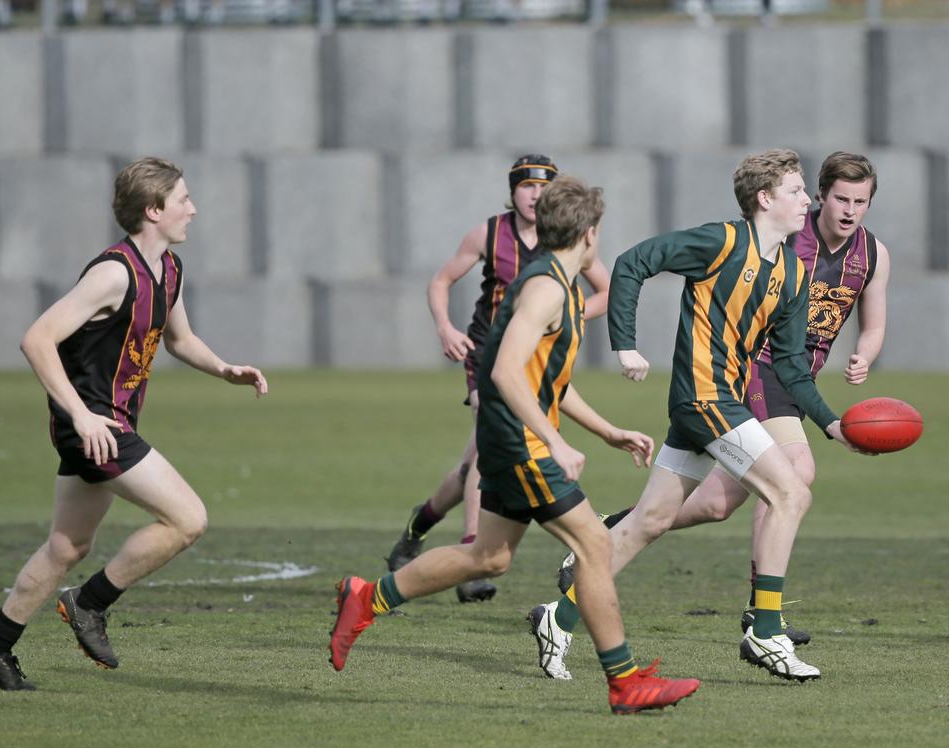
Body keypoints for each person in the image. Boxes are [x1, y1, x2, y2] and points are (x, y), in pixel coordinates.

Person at [329, 176, 700, 715]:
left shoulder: (561, 285)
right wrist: (554, 441)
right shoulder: (548, 287)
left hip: (511, 438)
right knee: (595, 546)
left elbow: (547, 379)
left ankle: (367, 597)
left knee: (489, 557)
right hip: (519, 442)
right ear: (591, 233)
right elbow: (504, 370)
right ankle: (624, 682)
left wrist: (606, 431)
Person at [530, 151, 890, 680]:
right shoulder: (720, 241)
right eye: (796, 191)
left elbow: (792, 369)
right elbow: (632, 263)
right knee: (791, 491)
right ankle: (765, 631)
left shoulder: (791, 272)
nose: (807, 200)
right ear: (765, 199)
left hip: (721, 403)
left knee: (648, 523)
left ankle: (557, 618)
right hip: (704, 399)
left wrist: (832, 424)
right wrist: (625, 345)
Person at [0, 157, 268, 691]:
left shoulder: (169, 269)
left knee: (67, 547)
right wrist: (80, 415)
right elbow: (36, 339)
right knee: (188, 519)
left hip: (108, 425)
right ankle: (88, 603)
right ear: (153, 210)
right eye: (182, 200)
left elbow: (179, 340)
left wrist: (224, 369)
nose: (193, 210)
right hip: (93, 427)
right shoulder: (113, 273)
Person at [383, 154, 611, 603]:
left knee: (473, 464)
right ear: (513, 192)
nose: (535, 193)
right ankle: (471, 553)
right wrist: (446, 328)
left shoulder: (563, 241)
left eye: (544, 185)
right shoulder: (490, 233)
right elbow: (440, 281)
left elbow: (607, 289)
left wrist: (567, 316)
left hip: (533, 360)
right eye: (526, 186)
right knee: (487, 461)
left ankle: (421, 527)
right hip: (488, 357)